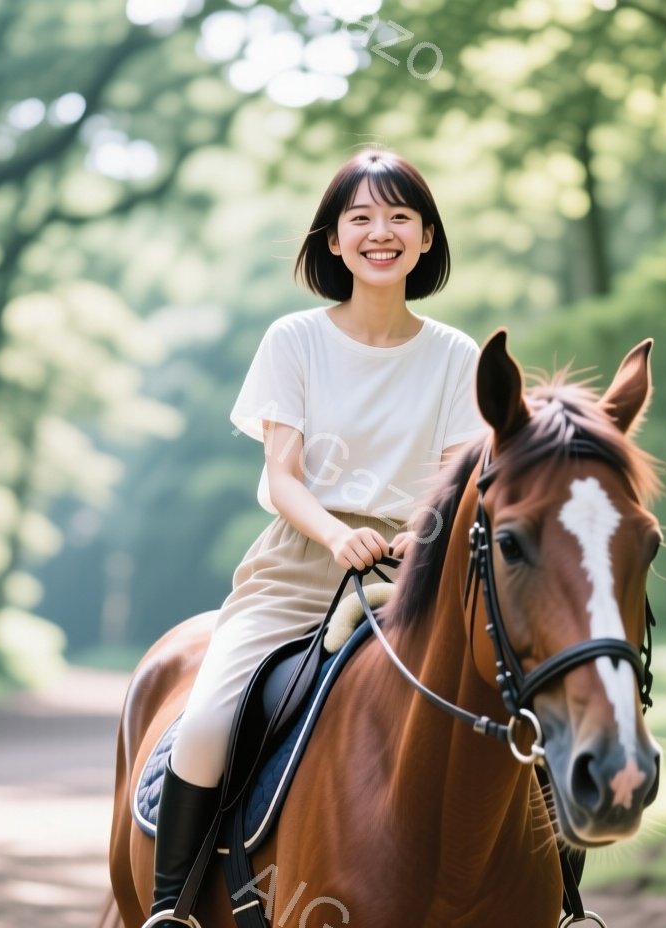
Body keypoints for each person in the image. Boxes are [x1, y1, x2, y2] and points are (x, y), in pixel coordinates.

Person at [143, 146, 487, 927]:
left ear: (427, 237)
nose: (380, 233)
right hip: (298, 568)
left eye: (399, 217)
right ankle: (172, 909)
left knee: (515, 698)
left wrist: (418, 535)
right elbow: (284, 475)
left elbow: (454, 479)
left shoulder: (455, 355)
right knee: (207, 723)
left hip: (417, 571)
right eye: (360, 218)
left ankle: (561, 902)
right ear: (333, 240)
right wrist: (338, 536)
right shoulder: (293, 340)